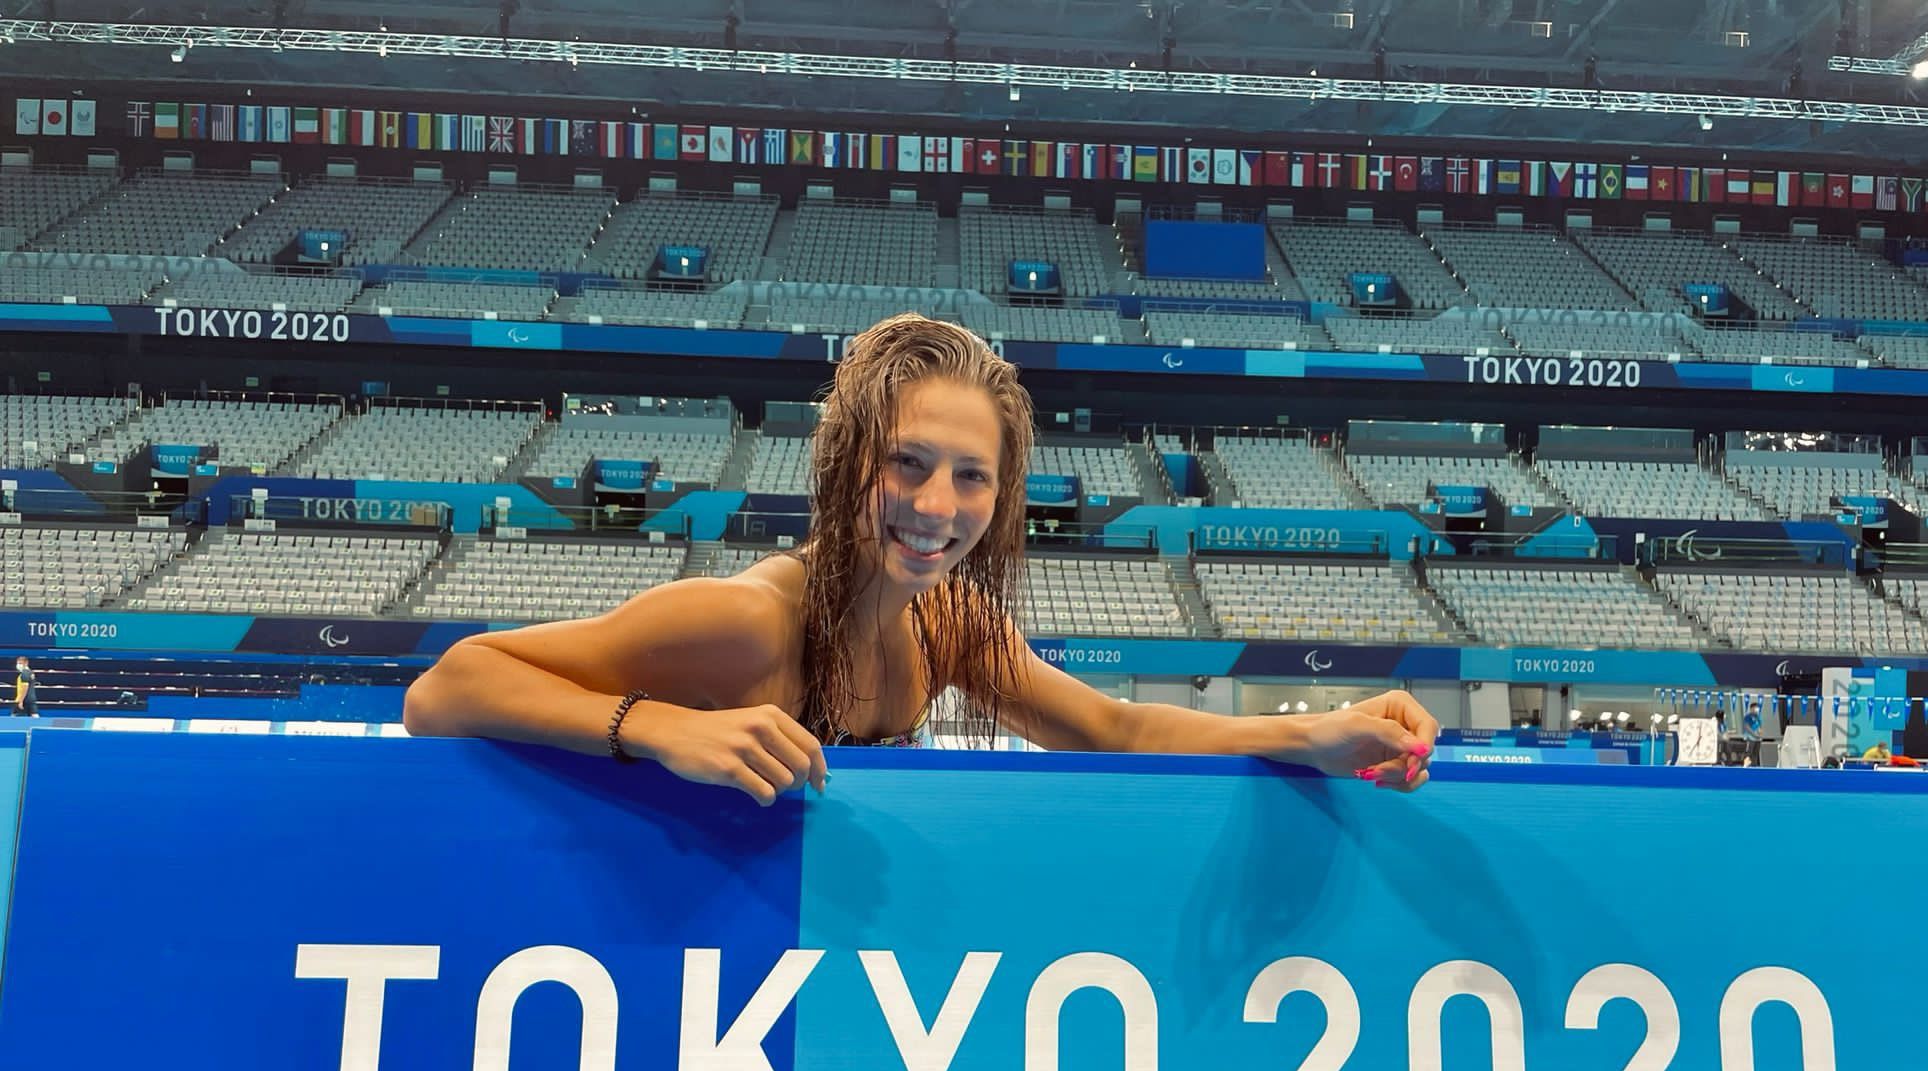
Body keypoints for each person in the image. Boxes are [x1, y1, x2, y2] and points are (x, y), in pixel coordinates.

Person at [403, 314, 1438, 802]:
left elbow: (1112, 728)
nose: (937, 508)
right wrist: (662, 728)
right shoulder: (747, 621)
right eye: (907, 463)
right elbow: (447, 687)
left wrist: (1315, 734)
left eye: (971, 477)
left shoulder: (947, 624)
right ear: (847, 460)